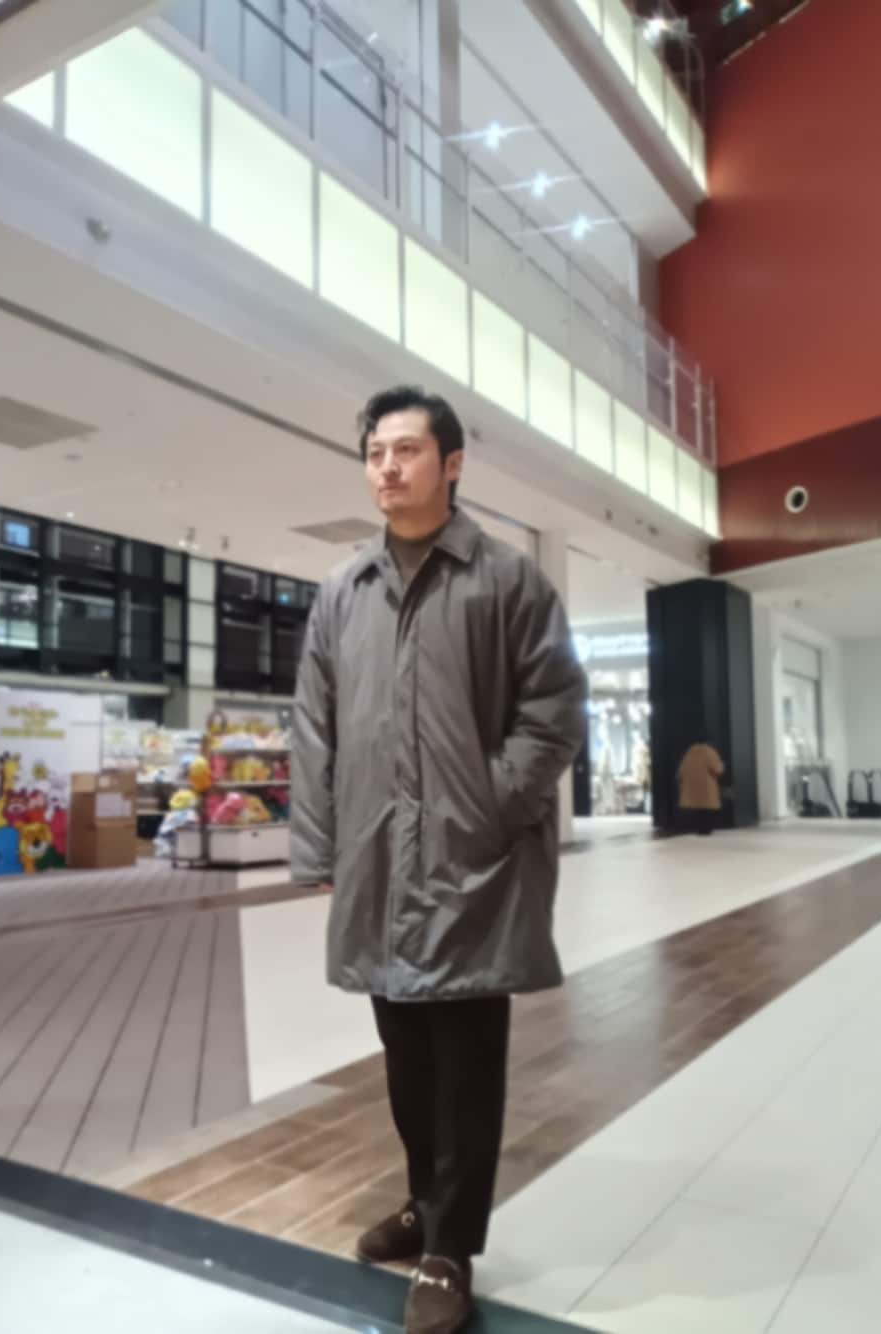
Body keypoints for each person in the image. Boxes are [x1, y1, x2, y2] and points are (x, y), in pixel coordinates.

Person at [292, 385, 587, 1334]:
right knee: (406, 1060)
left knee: (465, 1064)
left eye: (407, 450)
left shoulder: (506, 581)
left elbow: (554, 711)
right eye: (375, 452)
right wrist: (321, 844)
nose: (387, 467)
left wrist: (491, 805)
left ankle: (450, 1250)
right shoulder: (344, 591)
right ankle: (426, 1202)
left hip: (472, 867)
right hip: (378, 863)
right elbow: (314, 727)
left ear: (452, 465)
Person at [677, 738, 725, 835]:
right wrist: (722, 765)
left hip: (692, 787)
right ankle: (706, 830)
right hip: (707, 787)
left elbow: (681, 771)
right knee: (707, 810)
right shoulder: (710, 752)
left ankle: (699, 829)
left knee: (697, 809)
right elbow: (717, 769)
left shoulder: (689, 753)